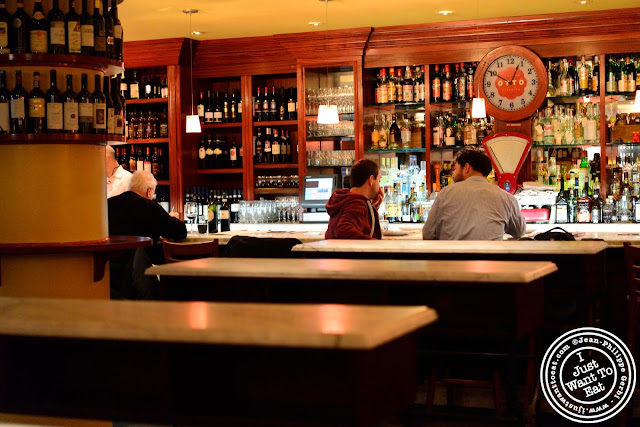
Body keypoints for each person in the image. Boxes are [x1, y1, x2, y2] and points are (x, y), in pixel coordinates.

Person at [108, 171, 187, 299]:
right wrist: (172, 218)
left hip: (109, 278)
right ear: (149, 190)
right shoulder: (150, 207)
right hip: (139, 277)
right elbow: (180, 232)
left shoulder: (109, 204)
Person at [422, 147, 526, 240]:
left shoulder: (445, 193)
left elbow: (428, 234)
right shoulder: (506, 197)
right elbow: (519, 232)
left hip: (451, 260)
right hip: (490, 260)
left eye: (456, 169)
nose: (453, 176)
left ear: (466, 168)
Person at [325, 159, 384, 240]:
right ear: (371, 180)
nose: (379, 186)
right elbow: (343, 231)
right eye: (379, 180)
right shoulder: (357, 203)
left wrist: (373, 208)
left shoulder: (347, 199)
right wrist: (375, 242)